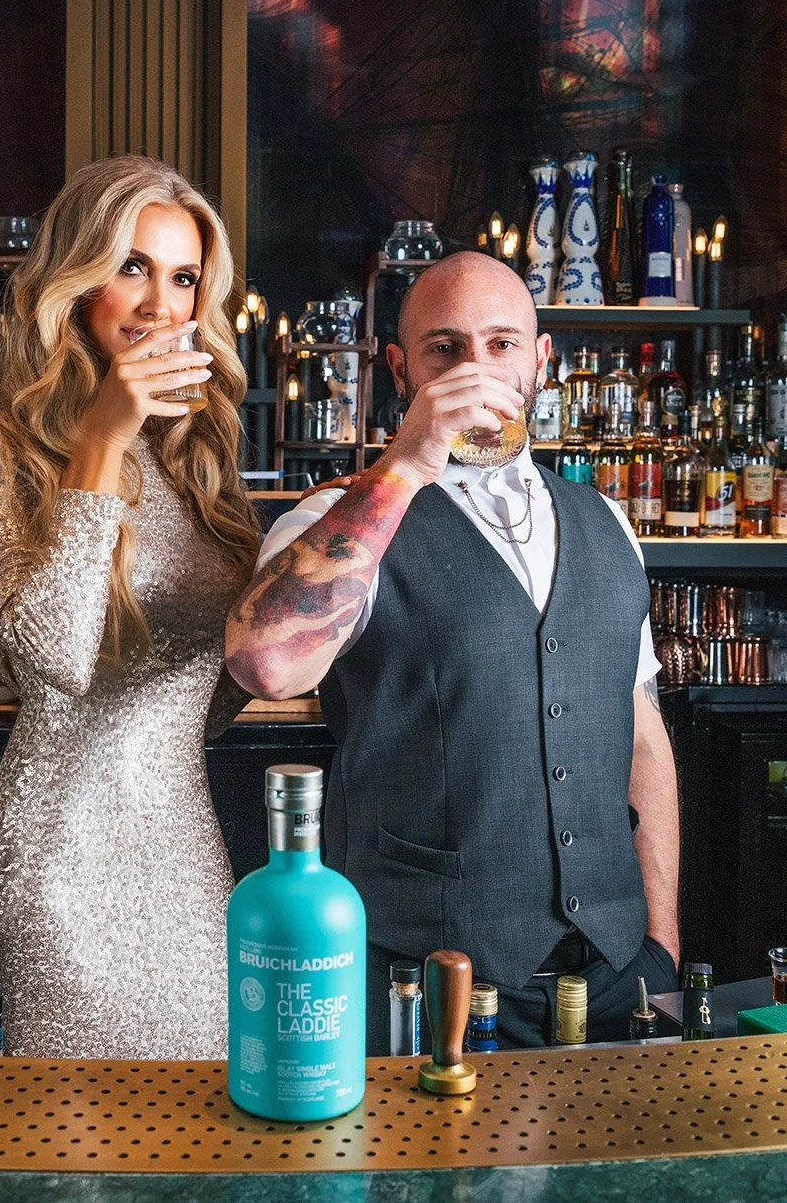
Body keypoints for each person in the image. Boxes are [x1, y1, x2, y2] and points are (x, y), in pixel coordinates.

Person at [226, 251, 680, 1052]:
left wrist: (662, 938)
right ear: (401, 368)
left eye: (502, 343)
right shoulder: (335, 522)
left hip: (619, 977)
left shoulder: (608, 524)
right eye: (445, 348)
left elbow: (641, 734)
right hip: (428, 983)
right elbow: (268, 664)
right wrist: (406, 463)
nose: (475, 368)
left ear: (542, 363)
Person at [0, 155, 260, 1058]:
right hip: (53, 886)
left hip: (189, 879)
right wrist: (105, 438)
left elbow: (213, 700)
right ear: (75, 283)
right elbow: (57, 663)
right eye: (132, 267)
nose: (161, 304)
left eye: (184, 277)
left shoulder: (196, 462)